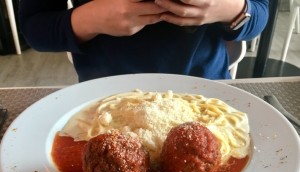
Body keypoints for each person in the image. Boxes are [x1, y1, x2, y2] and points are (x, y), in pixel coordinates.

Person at [19, 0, 269, 82]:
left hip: (206, 90)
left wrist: (230, 9)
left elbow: (259, 13)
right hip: (103, 96)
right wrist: (91, 19)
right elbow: (34, 28)